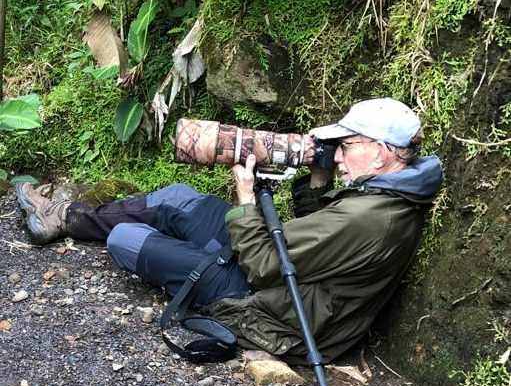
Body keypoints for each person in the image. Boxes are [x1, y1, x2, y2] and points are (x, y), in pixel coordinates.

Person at [16, 97, 443, 363]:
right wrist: (318, 179)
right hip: (290, 275)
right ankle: (66, 218)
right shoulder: (393, 190)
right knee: (178, 197)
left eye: (348, 146)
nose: (341, 156)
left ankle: (100, 228)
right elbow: (317, 234)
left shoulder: (371, 216)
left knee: (124, 241)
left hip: (278, 306)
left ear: (382, 153)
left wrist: (245, 198)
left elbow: (262, 265)